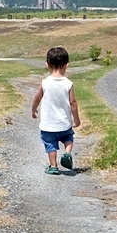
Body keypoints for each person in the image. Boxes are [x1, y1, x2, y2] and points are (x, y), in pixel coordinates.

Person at [31, 46, 80, 175]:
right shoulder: (68, 83)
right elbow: (73, 102)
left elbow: (36, 98)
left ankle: (53, 166)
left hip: (48, 125)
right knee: (68, 137)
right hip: (64, 123)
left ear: (47, 64)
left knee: (50, 144)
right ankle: (67, 153)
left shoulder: (45, 82)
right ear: (66, 65)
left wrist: (33, 110)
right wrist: (76, 118)